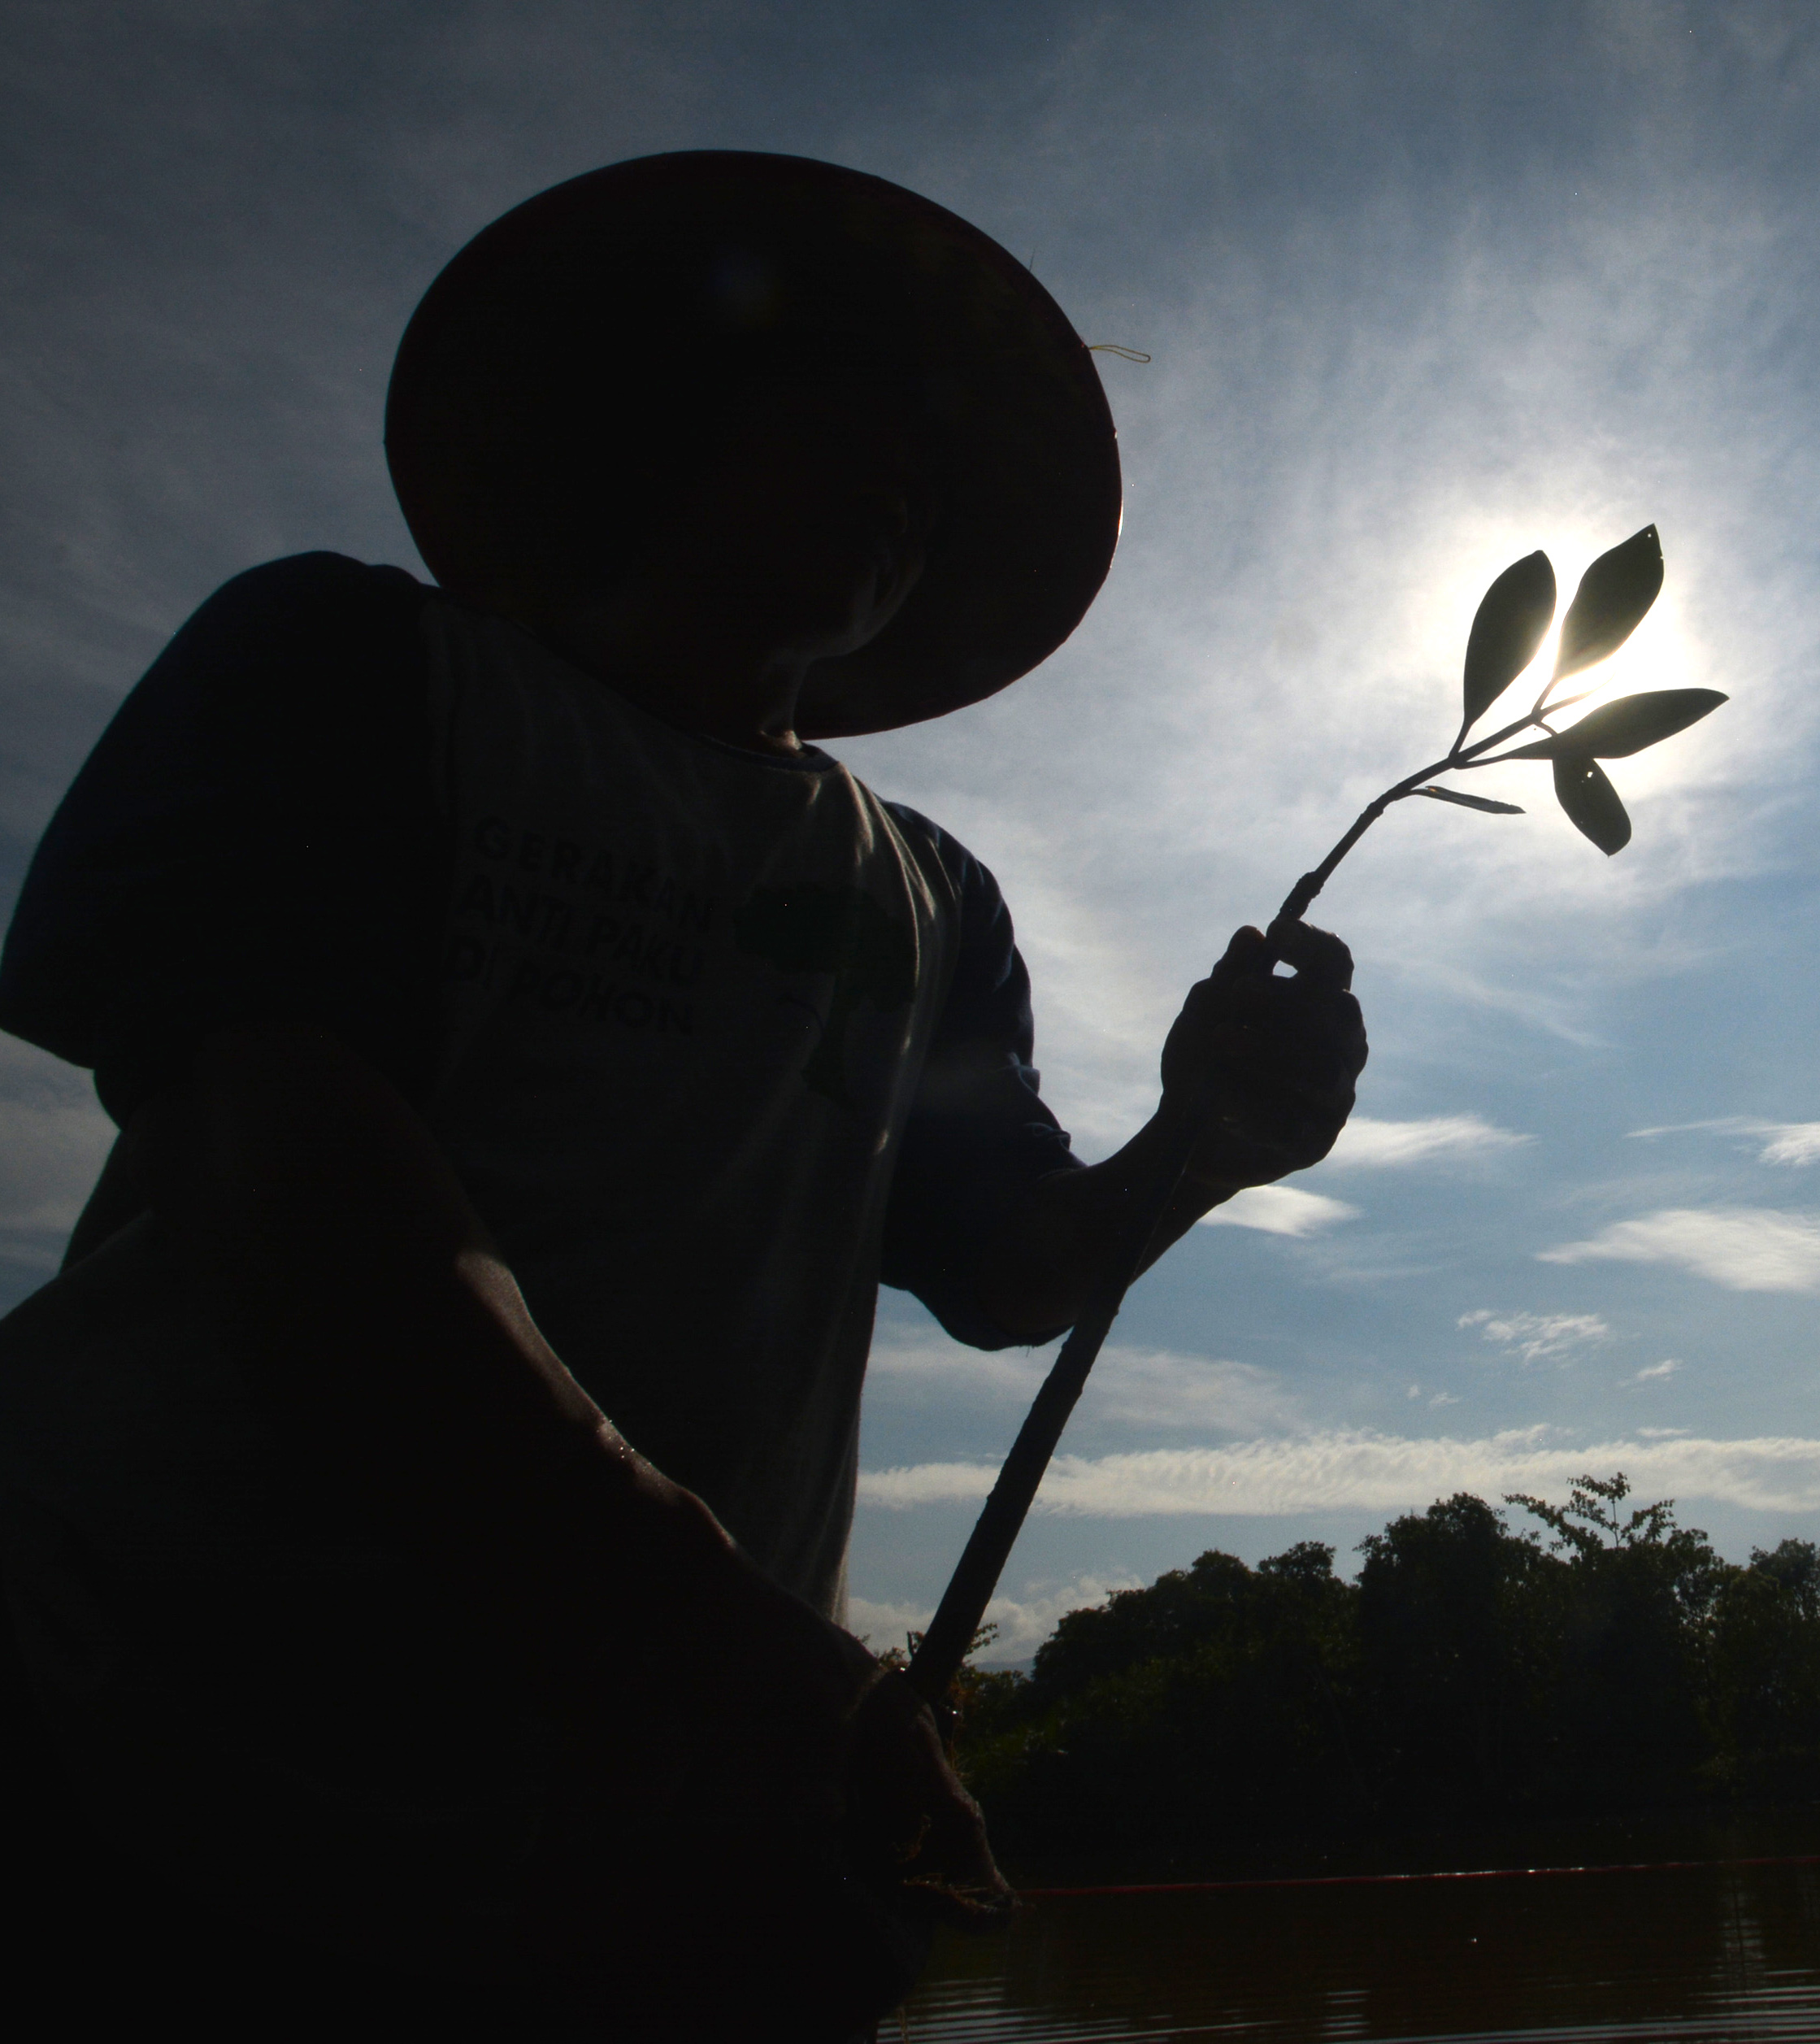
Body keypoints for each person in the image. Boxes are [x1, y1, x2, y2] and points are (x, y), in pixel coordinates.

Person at [0, 153, 1365, 2039]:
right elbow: (311, 1179)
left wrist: (1203, 1145)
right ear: (670, 409)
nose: (913, 476)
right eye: (855, 407)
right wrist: (744, 1665)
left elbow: (1011, 1271)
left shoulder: (931, 897)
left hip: (623, 1860)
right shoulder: (350, 665)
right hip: (139, 1768)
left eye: (942, 469)